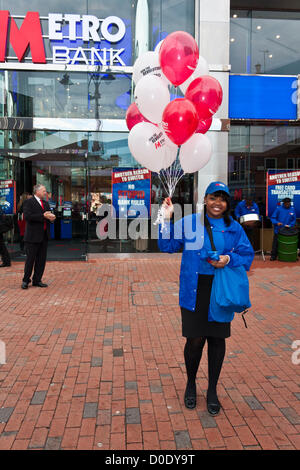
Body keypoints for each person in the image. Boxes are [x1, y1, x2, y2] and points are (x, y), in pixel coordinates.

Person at [158, 181, 254, 416]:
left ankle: (212, 390)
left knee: (217, 340)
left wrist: (227, 259)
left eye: (222, 199)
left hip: (220, 290)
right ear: (205, 200)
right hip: (194, 290)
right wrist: (165, 218)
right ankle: (191, 384)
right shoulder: (190, 222)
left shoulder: (234, 228)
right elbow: (167, 245)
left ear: (227, 202)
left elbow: (247, 254)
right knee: (194, 340)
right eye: (213, 198)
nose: (217, 203)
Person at [21, 184, 56, 289]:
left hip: (44, 236)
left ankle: (37, 280)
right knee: (30, 260)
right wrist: (43, 216)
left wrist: (52, 219)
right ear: (37, 191)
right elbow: (27, 217)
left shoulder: (45, 203)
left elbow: (48, 216)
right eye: (44, 191)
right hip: (32, 236)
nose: (45, 193)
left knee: (41, 260)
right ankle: (26, 280)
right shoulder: (28, 202)